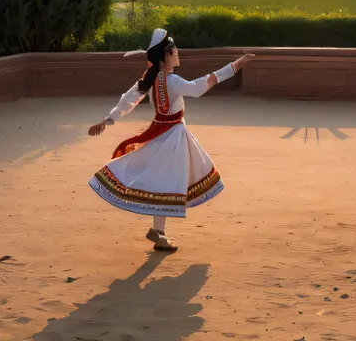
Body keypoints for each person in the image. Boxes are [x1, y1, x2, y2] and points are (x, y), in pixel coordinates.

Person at [87, 28, 255, 251]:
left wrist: (107, 120)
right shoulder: (172, 81)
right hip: (173, 136)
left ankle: (159, 232)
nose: (177, 54)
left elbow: (128, 100)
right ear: (165, 56)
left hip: (159, 133)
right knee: (173, 181)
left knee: (163, 182)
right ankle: (159, 232)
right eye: (174, 51)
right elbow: (197, 88)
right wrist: (234, 67)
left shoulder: (150, 80)